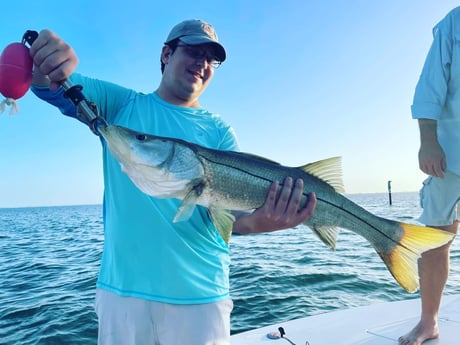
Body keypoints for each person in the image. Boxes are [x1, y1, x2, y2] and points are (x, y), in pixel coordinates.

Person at [29, 20, 317, 345]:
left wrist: (258, 222)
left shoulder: (219, 132)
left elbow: (226, 215)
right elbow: (48, 85)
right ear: (166, 53)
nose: (202, 63)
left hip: (201, 296)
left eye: (211, 59)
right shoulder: (120, 105)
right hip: (123, 295)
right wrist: (46, 53)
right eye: (194, 51)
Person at [399, 8, 460, 345]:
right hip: (450, 153)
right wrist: (428, 141)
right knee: (436, 239)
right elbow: (431, 82)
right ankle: (428, 322)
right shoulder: (455, 21)